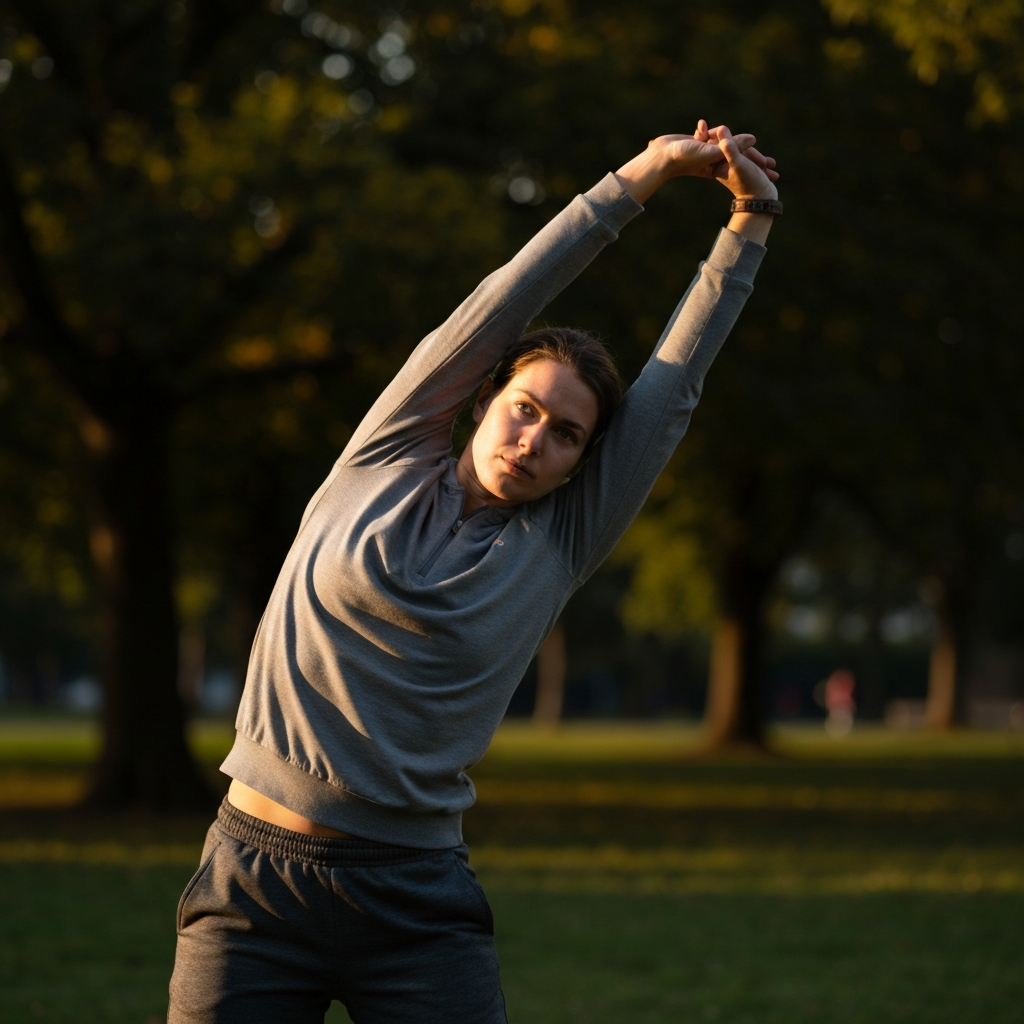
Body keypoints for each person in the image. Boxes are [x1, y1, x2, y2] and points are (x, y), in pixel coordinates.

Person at [168, 121, 780, 1023]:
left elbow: (674, 383)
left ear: (583, 464)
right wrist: (641, 176)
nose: (534, 440)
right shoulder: (381, 454)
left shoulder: (558, 542)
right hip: (251, 885)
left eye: (566, 435)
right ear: (483, 399)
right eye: (524, 410)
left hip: (414, 903)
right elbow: (505, 300)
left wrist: (749, 224)